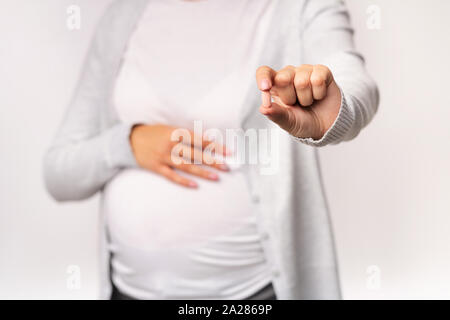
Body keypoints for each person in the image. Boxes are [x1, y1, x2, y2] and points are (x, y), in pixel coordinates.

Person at [43, 0, 379, 300]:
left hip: (254, 295)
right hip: (127, 291)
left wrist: (337, 110)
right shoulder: (124, 15)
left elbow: (352, 80)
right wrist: (128, 142)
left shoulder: (301, 7)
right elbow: (58, 173)